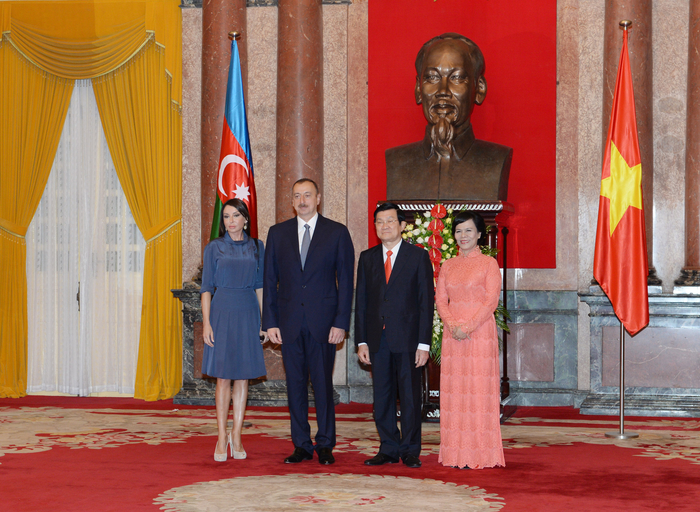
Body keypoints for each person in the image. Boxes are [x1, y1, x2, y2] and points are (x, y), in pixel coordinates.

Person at [262, 178, 355, 465]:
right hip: (288, 324)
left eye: (307, 195)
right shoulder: (277, 234)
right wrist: (271, 322)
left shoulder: (337, 233)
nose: (302, 200)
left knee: (323, 386)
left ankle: (325, 443)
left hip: (324, 325)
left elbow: (346, 280)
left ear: (318, 199)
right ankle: (301, 444)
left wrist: (341, 323)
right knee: (295, 386)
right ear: (292, 202)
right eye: (297, 196)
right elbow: (269, 281)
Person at [386, 32, 512, 201]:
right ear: (418, 89)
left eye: (457, 77)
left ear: (479, 89)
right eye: (432, 77)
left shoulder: (495, 160)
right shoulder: (398, 162)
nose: (443, 91)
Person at [355, 203, 434, 468]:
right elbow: (362, 301)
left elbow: (426, 303)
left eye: (390, 221)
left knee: (410, 397)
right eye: (379, 221)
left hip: (409, 340)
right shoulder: (367, 258)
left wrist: (424, 343)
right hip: (378, 340)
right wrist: (362, 340)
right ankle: (388, 448)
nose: (384, 225)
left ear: (402, 225)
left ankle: (410, 449)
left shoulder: (417, 256)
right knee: (383, 396)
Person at [435, 210, 505, 469]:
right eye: (458, 231)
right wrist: (453, 325)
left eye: (468, 230)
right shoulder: (448, 265)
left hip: (479, 335)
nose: (462, 236)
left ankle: (480, 454)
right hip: (453, 336)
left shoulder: (488, 264)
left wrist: (468, 326)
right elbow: (441, 300)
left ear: (479, 234)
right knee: (455, 394)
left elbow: (491, 302)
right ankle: (455, 454)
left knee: (477, 393)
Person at [201, 198, 267, 462]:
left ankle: (236, 435)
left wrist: (264, 322)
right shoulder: (214, 247)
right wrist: (206, 322)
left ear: (245, 219)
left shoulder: (257, 247)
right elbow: (206, 287)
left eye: (235, 216)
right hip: (221, 311)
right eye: (226, 217)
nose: (230, 221)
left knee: (243, 377)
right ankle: (220, 436)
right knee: (223, 377)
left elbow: (261, 286)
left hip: (249, 310)